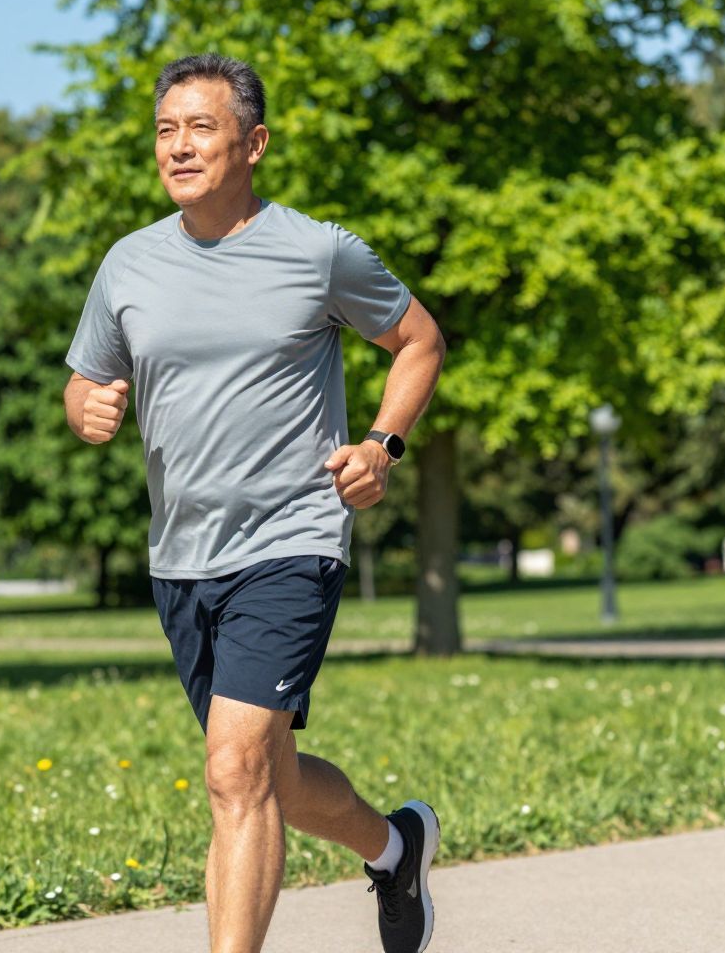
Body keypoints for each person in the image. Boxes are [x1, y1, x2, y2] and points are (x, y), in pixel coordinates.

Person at [62, 54, 447, 953]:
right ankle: (396, 848)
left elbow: (420, 341)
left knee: (234, 771)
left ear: (254, 143)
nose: (178, 146)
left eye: (200, 127)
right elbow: (83, 382)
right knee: (270, 776)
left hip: (292, 540)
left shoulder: (318, 251)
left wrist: (381, 447)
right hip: (182, 556)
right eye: (165, 130)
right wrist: (89, 411)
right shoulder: (128, 265)